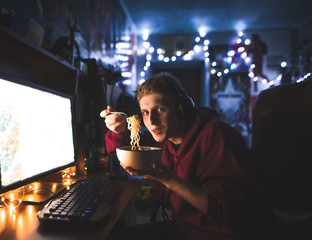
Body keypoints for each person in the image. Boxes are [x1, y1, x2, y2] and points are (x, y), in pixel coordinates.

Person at [100, 72, 275, 240]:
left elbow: (231, 211)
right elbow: (122, 149)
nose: (152, 121)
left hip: (219, 234)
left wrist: (170, 180)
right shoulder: (161, 136)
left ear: (182, 108)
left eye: (160, 109)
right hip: (182, 228)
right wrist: (119, 129)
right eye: (145, 112)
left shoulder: (218, 137)